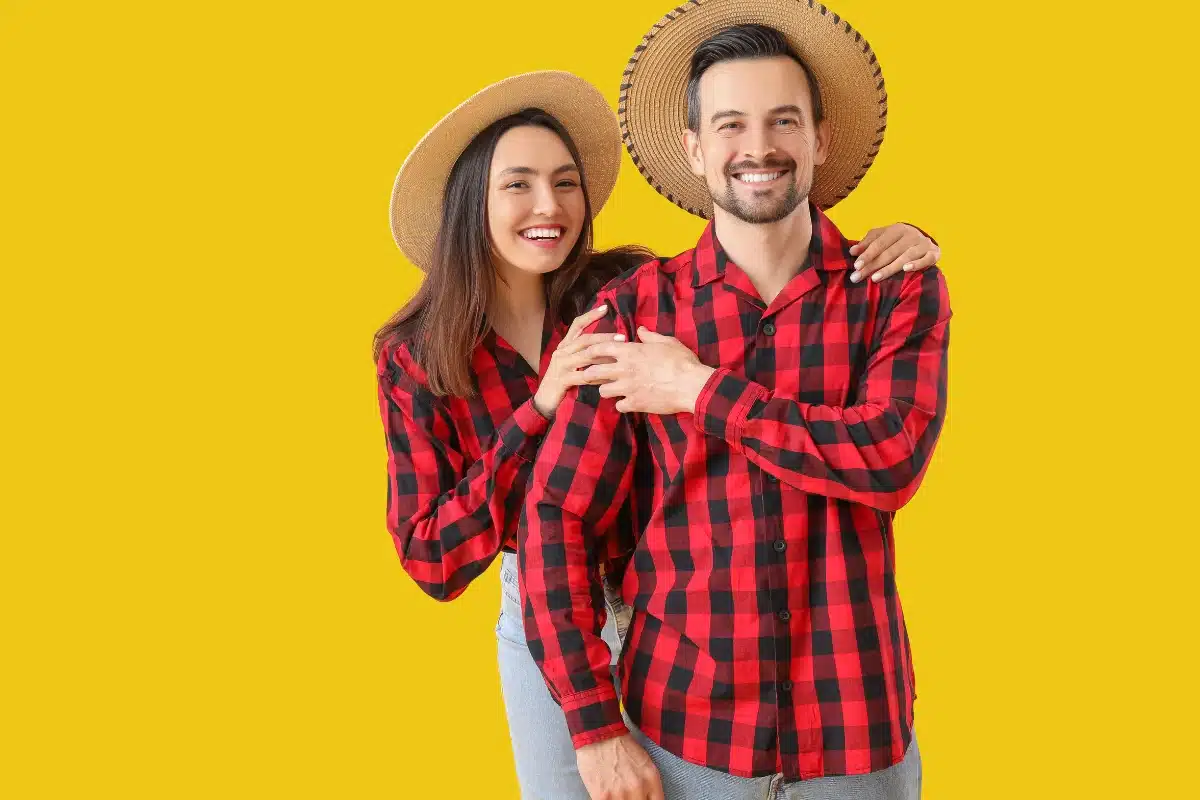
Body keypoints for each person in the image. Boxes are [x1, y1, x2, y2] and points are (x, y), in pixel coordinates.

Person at [375, 70, 943, 798]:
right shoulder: (418, 357)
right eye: (517, 185)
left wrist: (909, 237)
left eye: (566, 183)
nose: (548, 206)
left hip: (660, 589)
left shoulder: (620, 292)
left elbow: (758, 235)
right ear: (470, 205)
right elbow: (436, 554)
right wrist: (540, 407)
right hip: (549, 601)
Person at [519, 6, 950, 800]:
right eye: (730, 124)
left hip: (857, 740)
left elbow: (888, 457)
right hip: (683, 740)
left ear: (819, 138)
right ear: (695, 148)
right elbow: (555, 517)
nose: (758, 148)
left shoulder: (894, 291)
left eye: (783, 120)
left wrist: (698, 390)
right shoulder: (634, 310)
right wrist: (593, 727)